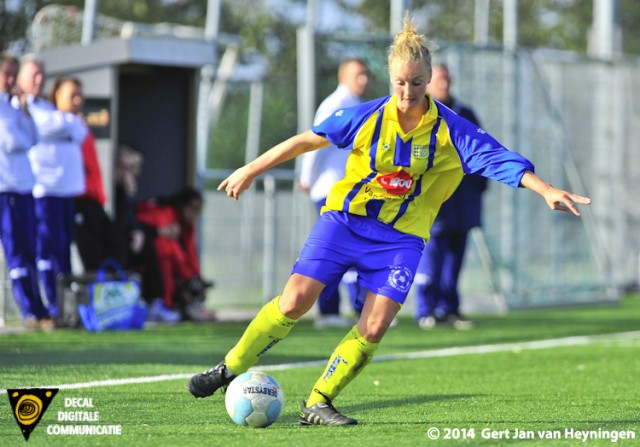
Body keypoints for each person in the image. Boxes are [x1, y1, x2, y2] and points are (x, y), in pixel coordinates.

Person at [187, 16, 591, 425]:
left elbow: (499, 159)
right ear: (390, 78)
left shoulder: (451, 129)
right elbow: (306, 139)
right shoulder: (367, 115)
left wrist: (546, 190)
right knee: (294, 300)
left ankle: (319, 401)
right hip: (344, 222)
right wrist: (251, 169)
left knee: (375, 325)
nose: (408, 91)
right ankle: (229, 368)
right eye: (400, 82)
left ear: (430, 79)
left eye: (417, 82)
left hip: (401, 239)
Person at [413, 64, 487, 330]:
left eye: (446, 78)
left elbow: (482, 151)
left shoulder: (465, 113)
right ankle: (426, 310)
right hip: (435, 202)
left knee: (455, 259)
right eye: (439, 79)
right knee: (431, 257)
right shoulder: (420, 113)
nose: (443, 83)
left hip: (463, 202)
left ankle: (449, 308)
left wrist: (479, 186)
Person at [299, 58, 370, 328]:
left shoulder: (357, 104)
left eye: (365, 74)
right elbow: (312, 141)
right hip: (332, 191)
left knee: (355, 253)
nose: (363, 79)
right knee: (335, 252)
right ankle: (328, 313)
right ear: (343, 76)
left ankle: (357, 310)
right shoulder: (336, 104)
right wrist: (306, 179)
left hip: (351, 192)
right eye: (358, 74)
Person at [16, 55, 87, 320]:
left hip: (65, 194)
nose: (38, 80)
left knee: (63, 251)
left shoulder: (45, 107)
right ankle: (48, 306)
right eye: (33, 75)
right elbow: (43, 127)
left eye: (41, 75)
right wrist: (64, 125)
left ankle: (63, 307)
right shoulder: (23, 108)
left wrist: (64, 125)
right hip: (43, 193)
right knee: (45, 252)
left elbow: (79, 129)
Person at [0, 53, 53, 330]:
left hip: (23, 189)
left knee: (29, 251)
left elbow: (32, 138)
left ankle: (38, 308)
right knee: (18, 253)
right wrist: (21, 135)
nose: (10, 80)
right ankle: (30, 311)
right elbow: (11, 141)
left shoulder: (13, 107)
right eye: (6, 74)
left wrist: (23, 108)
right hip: (6, 191)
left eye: (13, 74)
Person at [49, 76, 115, 272]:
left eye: (80, 95)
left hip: (92, 200)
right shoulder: (54, 125)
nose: (78, 100)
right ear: (58, 95)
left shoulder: (78, 125)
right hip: (74, 198)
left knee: (110, 246)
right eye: (73, 95)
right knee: (85, 253)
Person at [113, 145, 180, 323]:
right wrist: (128, 196)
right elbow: (118, 223)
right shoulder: (113, 191)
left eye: (134, 168)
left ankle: (155, 302)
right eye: (126, 168)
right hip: (108, 244)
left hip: (128, 244)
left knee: (149, 241)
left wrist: (140, 231)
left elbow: (131, 220)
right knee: (138, 240)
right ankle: (148, 302)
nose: (130, 174)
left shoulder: (127, 192)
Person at [136, 186, 215, 322]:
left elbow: (191, 255)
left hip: (170, 269)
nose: (194, 214)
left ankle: (190, 305)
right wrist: (188, 280)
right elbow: (168, 250)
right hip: (143, 261)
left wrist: (197, 279)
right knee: (165, 249)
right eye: (192, 208)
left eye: (198, 210)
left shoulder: (187, 226)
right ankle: (164, 306)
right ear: (182, 205)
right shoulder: (165, 214)